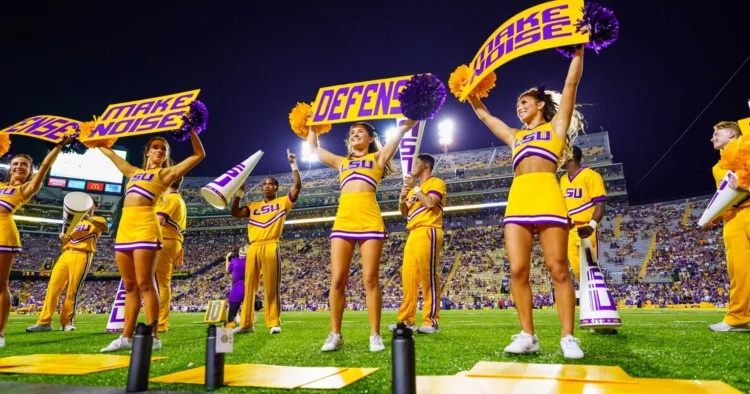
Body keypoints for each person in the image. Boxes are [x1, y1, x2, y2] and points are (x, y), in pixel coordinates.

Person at [466, 46, 586, 358]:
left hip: (547, 194)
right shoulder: (515, 135)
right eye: (518, 104)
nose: (519, 108)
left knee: (557, 267)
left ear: (540, 104)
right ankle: (528, 335)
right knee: (517, 270)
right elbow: (485, 116)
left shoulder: (555, 126)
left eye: (524, 103)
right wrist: (470, 91)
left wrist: (578, 52)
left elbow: (571, 85)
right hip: (518, 199)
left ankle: (568, 337)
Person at [307, 117, 417, 352]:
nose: (355, 134)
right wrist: (311, 128)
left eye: (360, 132)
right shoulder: (340, 162)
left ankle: (374, 335)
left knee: (370, 279)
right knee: (337, 279)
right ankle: (335, 334)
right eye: (352, 132)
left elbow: (402, 131)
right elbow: (314, 149)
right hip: (343, 221)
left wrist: (414, 112)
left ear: (370, 139)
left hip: (369, 220)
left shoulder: (377, 158)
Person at [100, 129, 205, 352]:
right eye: (155, 147)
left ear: (166, 155)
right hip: (125, 229)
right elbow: (110, 155)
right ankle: (126, 337)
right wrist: (91, 138)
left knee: (146, 283)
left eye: (163, 149)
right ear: (148, 151)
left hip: (147, 227)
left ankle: (154, 335)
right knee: (129, 286)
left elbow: (198, 155)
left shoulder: (165, 175)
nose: (159, 150)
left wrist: (192, 130)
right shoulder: (134, 172)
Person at [0, 138, 71, 347]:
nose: (19, 167)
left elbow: (46, 167)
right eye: (15, 164)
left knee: (1, 285)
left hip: (4, 233)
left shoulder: (26, 189)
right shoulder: (2, 186)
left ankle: (0, 334)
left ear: (30, 170)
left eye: (24, 164)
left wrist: (58, 147)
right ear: (9, 168)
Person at [230, 150, 301, 335]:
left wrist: (293, 165)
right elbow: (235, 213)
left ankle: (273, 322)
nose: (267, 186)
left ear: (277, 188)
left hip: (271, 244)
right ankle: (246, 324)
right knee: (249, 287)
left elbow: (297, 187)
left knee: (271, 286)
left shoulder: (282, 203)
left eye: (271, 184)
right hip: (253, 247)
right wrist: (239, 192)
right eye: (265, 184)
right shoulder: (253, 207)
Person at [27, 198, 108, 332]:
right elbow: (67, 242)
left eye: (89, 204)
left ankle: (67, 322)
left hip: (83, 253)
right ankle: (44, 322)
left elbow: (105, 228)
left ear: (94, 207)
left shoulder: (98, 219)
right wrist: (63, 237)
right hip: (66, 253)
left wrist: (88, 217)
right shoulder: (74, 222)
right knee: (53, 287)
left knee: (72, 290)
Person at [389, 154, 446, 334]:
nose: (411, 165)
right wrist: (401, 198)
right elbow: (404, 212)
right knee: (408, 278)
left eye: (416, 162)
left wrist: (415, 188)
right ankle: (407, 321)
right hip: (413, 232)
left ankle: (431, 321)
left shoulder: (436, 182)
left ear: (426, 165)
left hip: (429, 229)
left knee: (427, 276)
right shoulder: (415, 188)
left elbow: (430, 203)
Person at [560, 146, 615, 334]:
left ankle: (603, 321)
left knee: (591, 273)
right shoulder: (562, 180)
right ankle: (593, 317)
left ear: (570, 156)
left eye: (562, 154)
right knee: (579, 275)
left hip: (586, 229)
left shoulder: (591, 175)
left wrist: (592, 225)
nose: (558, 158)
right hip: (569, 232)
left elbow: (600, 205)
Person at [707, 121, 750, 332]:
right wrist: (712, 217)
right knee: (739, 271)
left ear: (732, 132)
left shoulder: (748, 148)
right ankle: (739, 318)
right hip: (733, 219)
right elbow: (723, 199)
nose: (712, 138)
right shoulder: (717, 168)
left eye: (717, 133)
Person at [155, 177, 187, 333]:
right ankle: (159, 321)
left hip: (164, 240)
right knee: (161, 283)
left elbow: (158, 220)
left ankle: (160, 323)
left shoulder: (170, 198)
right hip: (172, 241)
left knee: (161, 284)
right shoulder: (177, 198)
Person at [225, 246, 249, 327]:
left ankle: (231, 322)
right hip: (248, 286)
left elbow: (227, 270)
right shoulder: (251, 261)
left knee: (233, 306)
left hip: (237, 286)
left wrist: (227, 258)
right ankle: (247, 322)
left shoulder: (234, 261)